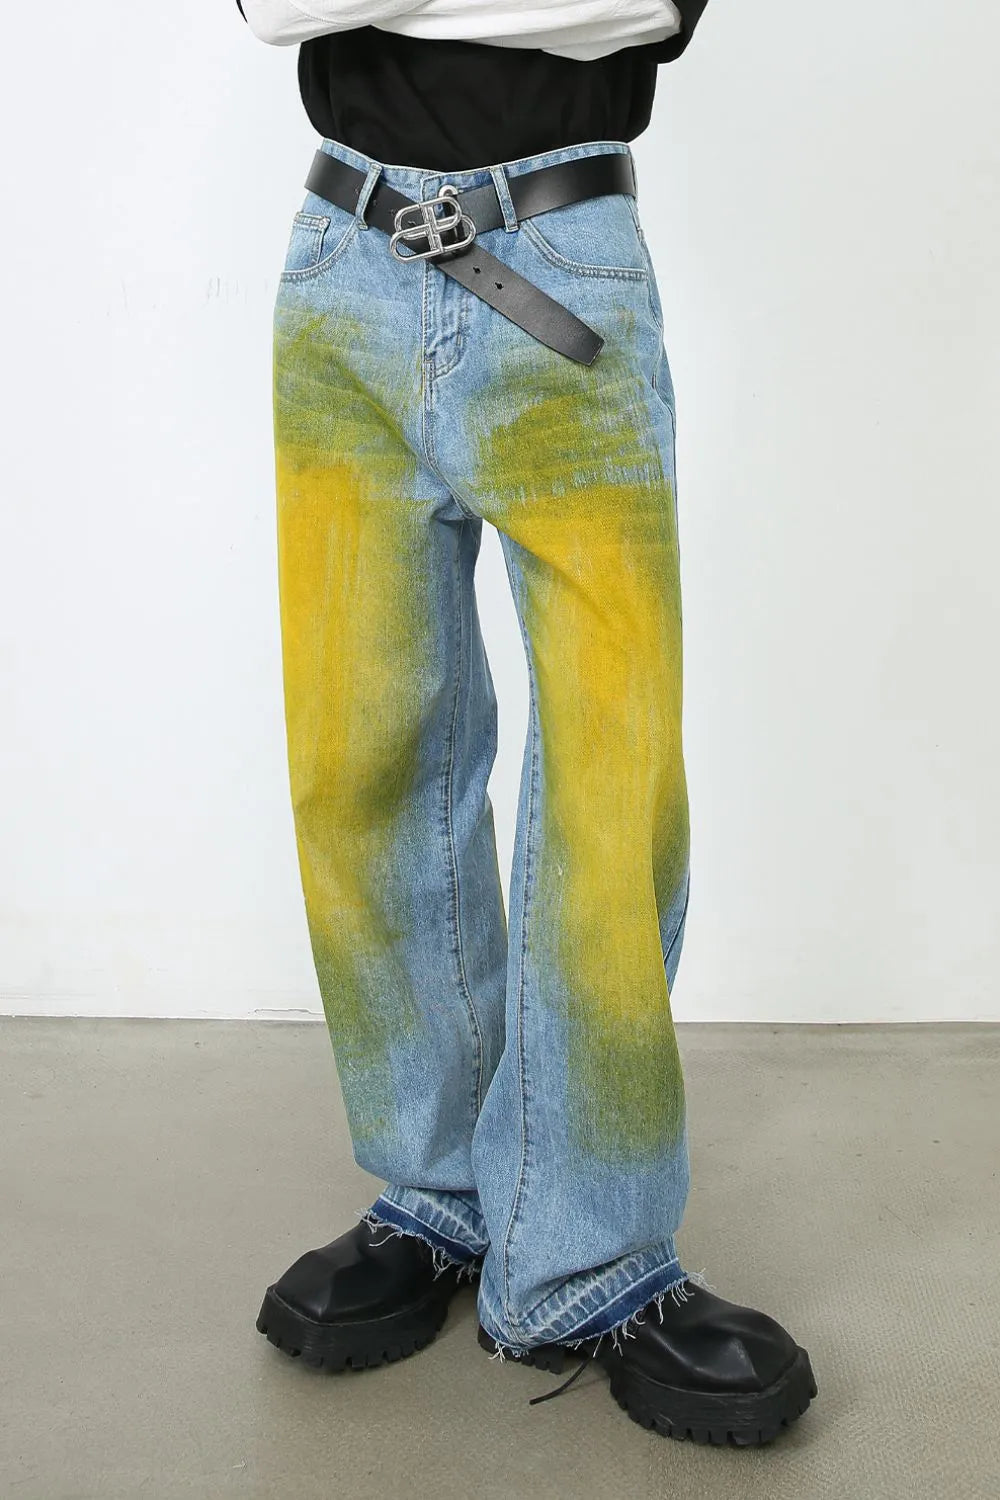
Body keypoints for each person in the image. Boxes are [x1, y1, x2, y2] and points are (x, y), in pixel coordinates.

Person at [237, 0, 817, 1446]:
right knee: (358, 763)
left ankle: (588, 1254)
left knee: (615, 782)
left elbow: (642, 6)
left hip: (563, 263)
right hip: (343, 262)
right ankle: (436, 1194)